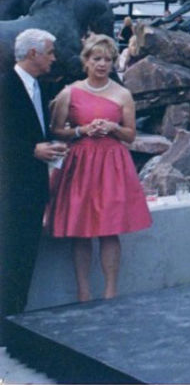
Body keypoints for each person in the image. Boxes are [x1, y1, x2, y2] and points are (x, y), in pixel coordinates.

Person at [47, 34, 152, 302]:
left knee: (109, 228)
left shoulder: (123, 94)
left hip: (112, 164)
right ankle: (83, 292)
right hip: (80, 164)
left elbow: (130, 136)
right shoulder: (70, 92)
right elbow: (57, 130)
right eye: (97, 59)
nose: (102, 64)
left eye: (108, 59)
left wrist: (113, 127)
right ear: (86, 61)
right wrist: (82, 129)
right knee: (81, 231)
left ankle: (110, 292)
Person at [0, 29, 62, 343]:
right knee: (9, 255)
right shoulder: (6, 86)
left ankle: (14, 320)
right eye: (50, 52)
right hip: (10, 189)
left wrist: (49, 145)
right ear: (33, 54)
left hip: (30, 187)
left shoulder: (38, 87)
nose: (54, 58)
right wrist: (31, 150)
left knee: (24, 256)